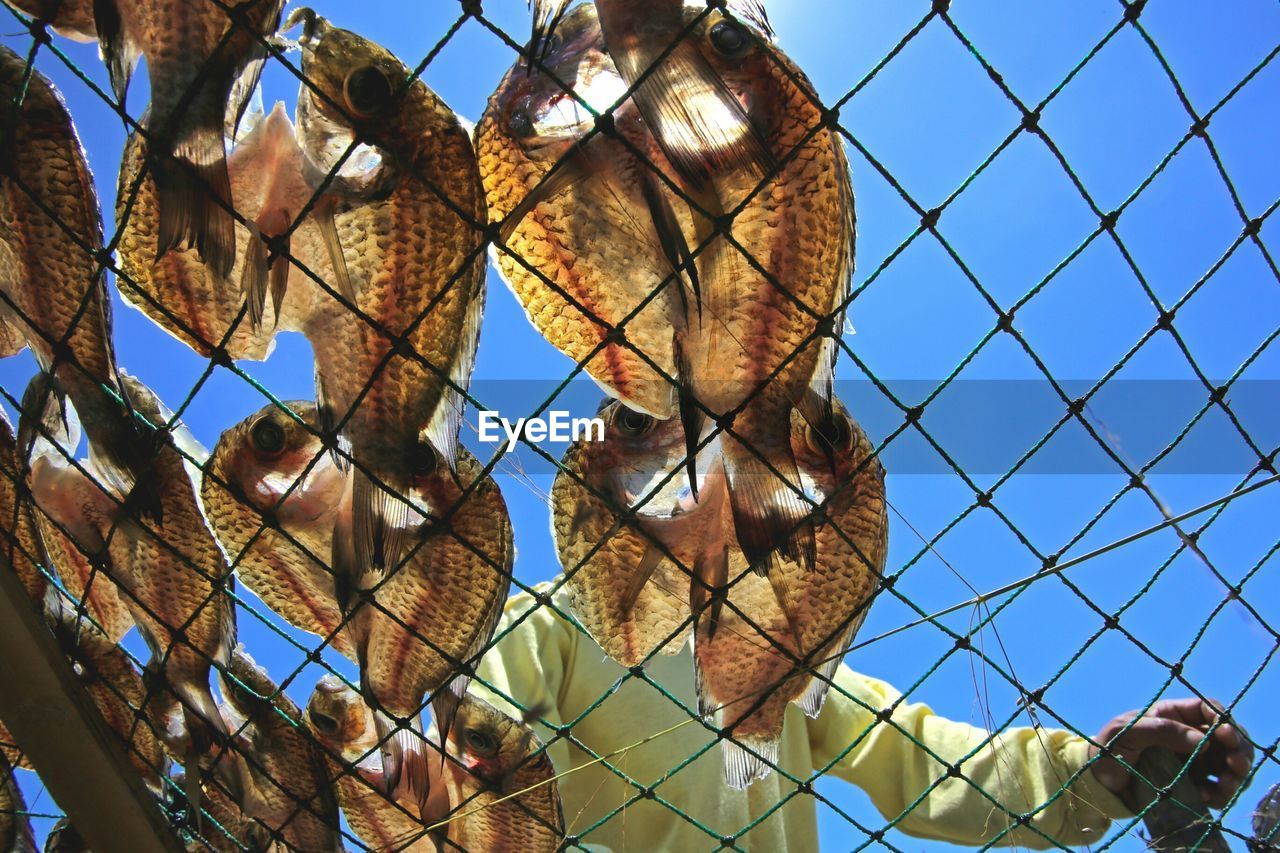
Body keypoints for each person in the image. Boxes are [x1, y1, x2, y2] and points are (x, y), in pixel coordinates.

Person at [470, 579, 1253, 851]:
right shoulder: (548, 623)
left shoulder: (778, 659)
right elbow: (466, 786)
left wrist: (1086, 769)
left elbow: (921, 758)